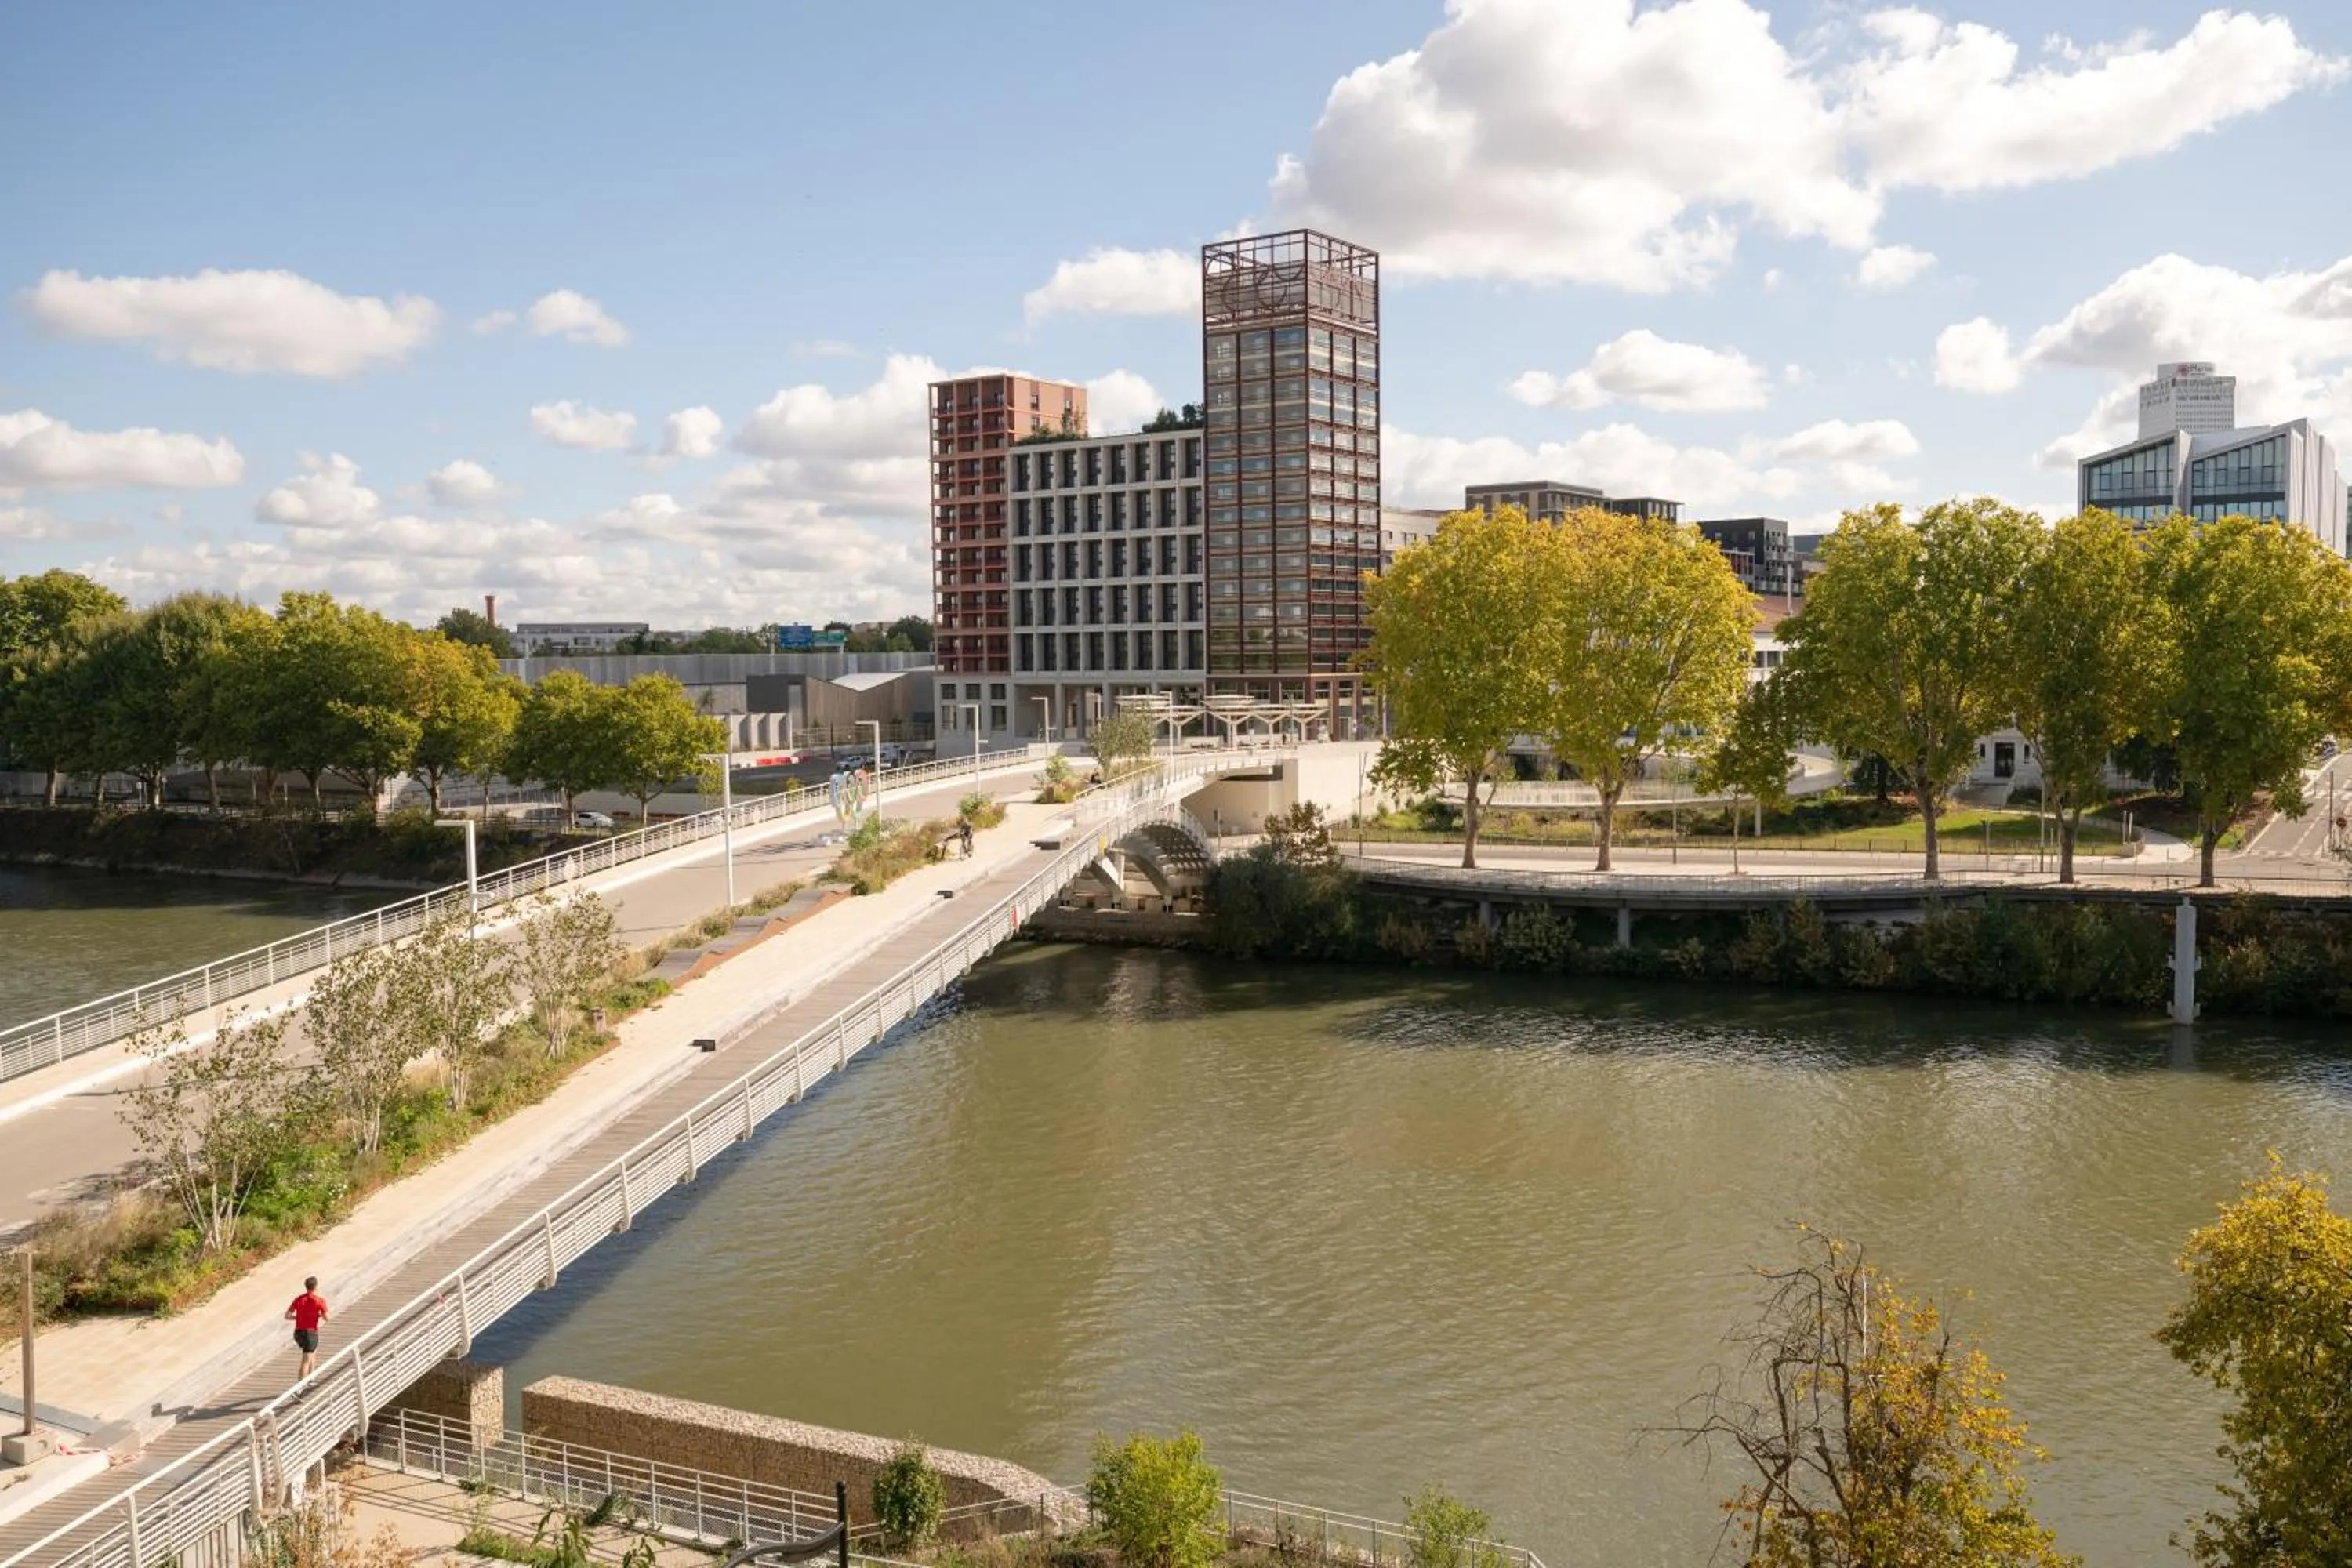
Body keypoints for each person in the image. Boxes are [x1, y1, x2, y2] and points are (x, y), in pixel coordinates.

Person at [285, 1276, 330, 1378]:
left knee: (312, 1352)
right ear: (316, 1287)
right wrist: (319, 1315)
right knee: (306, 1360)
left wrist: (298, 1317)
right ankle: (300, 1387)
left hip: (298, 1332)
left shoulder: (299, 1299)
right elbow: (327, 1318)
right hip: (310, 1333)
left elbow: (287, 1316)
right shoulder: (319, 1301)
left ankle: (312, 1377)